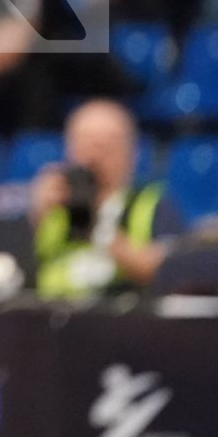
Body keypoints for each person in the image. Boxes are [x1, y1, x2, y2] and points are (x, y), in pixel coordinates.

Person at [29, 99, 180, 298]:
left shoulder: (152, 204)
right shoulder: (52, 204)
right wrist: (35, 215)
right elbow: (15, 270)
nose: (94, 158)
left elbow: (166, 272)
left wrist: (99, 227)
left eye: (106, 147)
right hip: (48, 317)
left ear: (131, 153)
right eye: (86, 146)